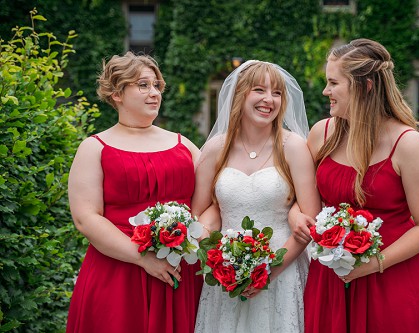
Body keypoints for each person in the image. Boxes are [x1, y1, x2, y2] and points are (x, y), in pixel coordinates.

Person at [299, 39, 419, 332]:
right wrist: (296, 216)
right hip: (331, 278)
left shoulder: (408, 143)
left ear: (364, 87)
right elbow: (298, 198)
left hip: (391, 278)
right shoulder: (321, 134)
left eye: (333, 83)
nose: (326, 91)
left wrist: (374, 263)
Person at [66, 52, 203, 333]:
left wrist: (192, 238)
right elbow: (86, 218)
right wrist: (142, 258)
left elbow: (211, 200)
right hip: (117, 273)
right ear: (117, 93)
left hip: (178, 271)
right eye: (143, 85)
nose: (154, 93)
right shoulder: (94, 148)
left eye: (157, 86)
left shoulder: (184, 145)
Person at [192, 60, 321, 333]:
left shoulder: (294, 148)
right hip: (226, 275)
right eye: (259, 90)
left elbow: (309, 220)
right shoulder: (216, 148)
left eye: (276, 93)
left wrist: (268, 272)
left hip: (282, 272)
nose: (269, 99)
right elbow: (201, 212)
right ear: (240, 94)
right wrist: (217, 258)